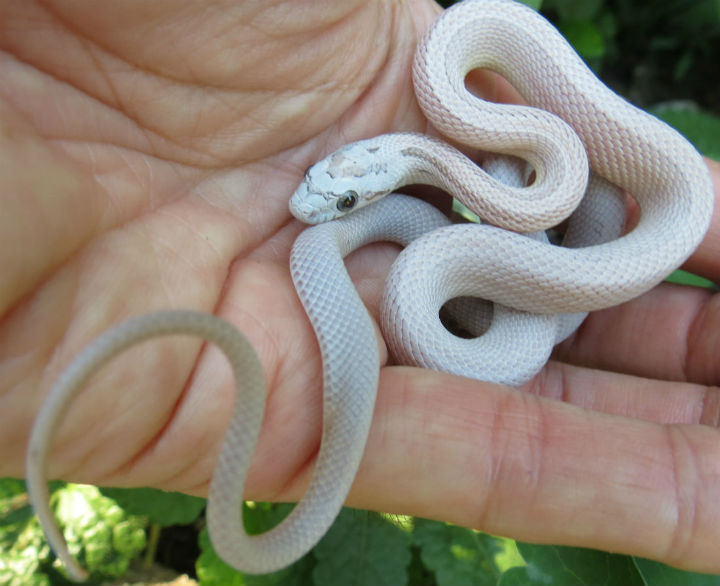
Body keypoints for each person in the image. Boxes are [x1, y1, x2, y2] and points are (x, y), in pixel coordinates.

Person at [1, 0, 718, 574]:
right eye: (337, 194)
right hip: (487, 224)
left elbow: (542, 201)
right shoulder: (463, 109)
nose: (311, 207)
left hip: (508, 219)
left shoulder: (534, 166)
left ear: (389, 169)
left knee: (539, 265)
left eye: (340, 202)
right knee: (500, 284)